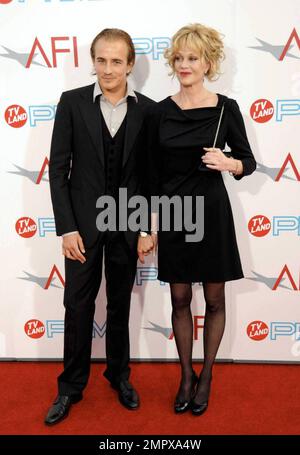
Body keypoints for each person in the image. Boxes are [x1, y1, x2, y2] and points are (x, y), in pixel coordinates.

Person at [138, 23, 256, 416]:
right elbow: (150, 175)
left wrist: (230, 162)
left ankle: (206, 376)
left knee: (216, 298)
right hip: (174, 213)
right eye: (180, 57)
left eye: (193, 58)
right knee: (180, 297)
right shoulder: (158, 112)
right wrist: (147, 225)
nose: (185, 64)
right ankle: (186, 375)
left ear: (209, 63)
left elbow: (248, 162)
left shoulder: (226, 108)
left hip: (212, 211)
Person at [45, 28, 155, 425]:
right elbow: (59, 170)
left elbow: (149, 177)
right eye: (101, 60)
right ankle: (70, 387)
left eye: (116, 61)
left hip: (127, 224)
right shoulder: (72, 103)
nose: (107, 69)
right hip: (82, 230)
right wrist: (66, 228)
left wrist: (146, 228)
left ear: (130, 65)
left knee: (120, 305)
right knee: (77, 306)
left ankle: (118, 376)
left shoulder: (148, 110)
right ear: (93, 61)